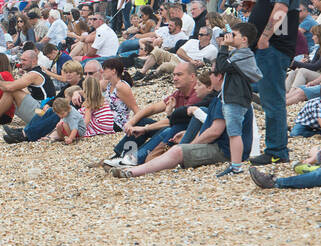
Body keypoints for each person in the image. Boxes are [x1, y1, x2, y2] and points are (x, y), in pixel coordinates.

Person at [108, 69, 253, 179]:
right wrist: (135, 122)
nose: (174, 78)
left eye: (179, 75)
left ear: (192, 77)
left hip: (223, 148)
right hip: (202, 137)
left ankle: (134, 165)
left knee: (172, 134)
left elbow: (214, 130)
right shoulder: (182, 94)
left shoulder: (217, 98)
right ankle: (123, 156)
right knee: (148, 124)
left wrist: (188, 145)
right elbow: (155, 109)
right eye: (173, 75)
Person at [249, 0, 302, 164]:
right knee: (272, 98)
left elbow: (281, 7)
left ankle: (277, 151)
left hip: (273, 45)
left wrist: (264, 37)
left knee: (272, 100)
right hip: (274, 45)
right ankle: (276, 148)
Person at [212, 23, 262, 176]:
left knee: (234, 133)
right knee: (234, 132)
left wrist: (223, 47)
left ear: (244, 39)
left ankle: (236, 167)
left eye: (234, 34)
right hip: (236, 97)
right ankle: (235, 165)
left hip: (236, 98)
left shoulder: (243, 55)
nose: (230, 37)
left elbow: (221, 66)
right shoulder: (241, 54)